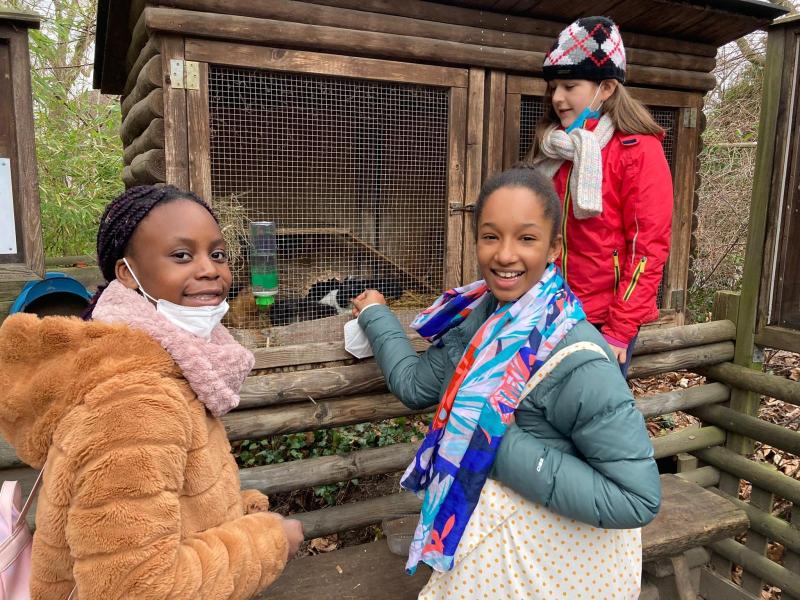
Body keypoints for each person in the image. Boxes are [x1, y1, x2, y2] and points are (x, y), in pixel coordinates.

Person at [352, 168, 660, 599]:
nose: (505, 255)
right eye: (491, 236)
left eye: (527, 239)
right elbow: (417, 385)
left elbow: (637, 498)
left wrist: (496, 441)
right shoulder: (481, 316)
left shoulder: (577, 357)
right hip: (493, 551)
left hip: (551, 566)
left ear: (554, 247)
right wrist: (375, 315)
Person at [0, 185, 304, 599]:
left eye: (217, 254)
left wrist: (232, 509)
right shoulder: (135, 404)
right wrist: (269, 540)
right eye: (181, 255)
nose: (211, 270)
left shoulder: (165, 365)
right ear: (127, 273)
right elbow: (136, 588)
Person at [525, 16, 674, 377]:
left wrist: (620, 331)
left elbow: (648, 249)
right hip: (544, 309)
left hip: (602, 320)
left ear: (606, 88)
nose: (557, 98)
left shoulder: (638, 151)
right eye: (554, 87)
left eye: (569, 86)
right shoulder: (553, 149)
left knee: (589, 419)